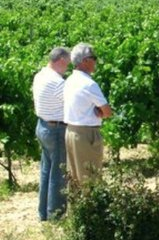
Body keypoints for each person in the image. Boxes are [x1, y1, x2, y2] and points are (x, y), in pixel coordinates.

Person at [63, 43, 112, 185]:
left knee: (74, 179)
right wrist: (100, 113)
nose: (95, 61)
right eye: (93, 58)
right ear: (85, 61)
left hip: (71, 132)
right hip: (87, 134)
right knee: (90, 178)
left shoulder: (69, 80)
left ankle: (76, 208)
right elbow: (107, 111)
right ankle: (91, 208)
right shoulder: (89, 84)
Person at [32, 47, 71, 221]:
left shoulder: (40, 75)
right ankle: (56, 215)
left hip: (42, 126)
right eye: (67, 63)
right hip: (55, 130)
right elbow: (72, 104)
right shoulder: (57, 82)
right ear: (61, 60)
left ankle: (43, 213)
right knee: (58, 174)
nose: (68, 68)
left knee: (46, 170)